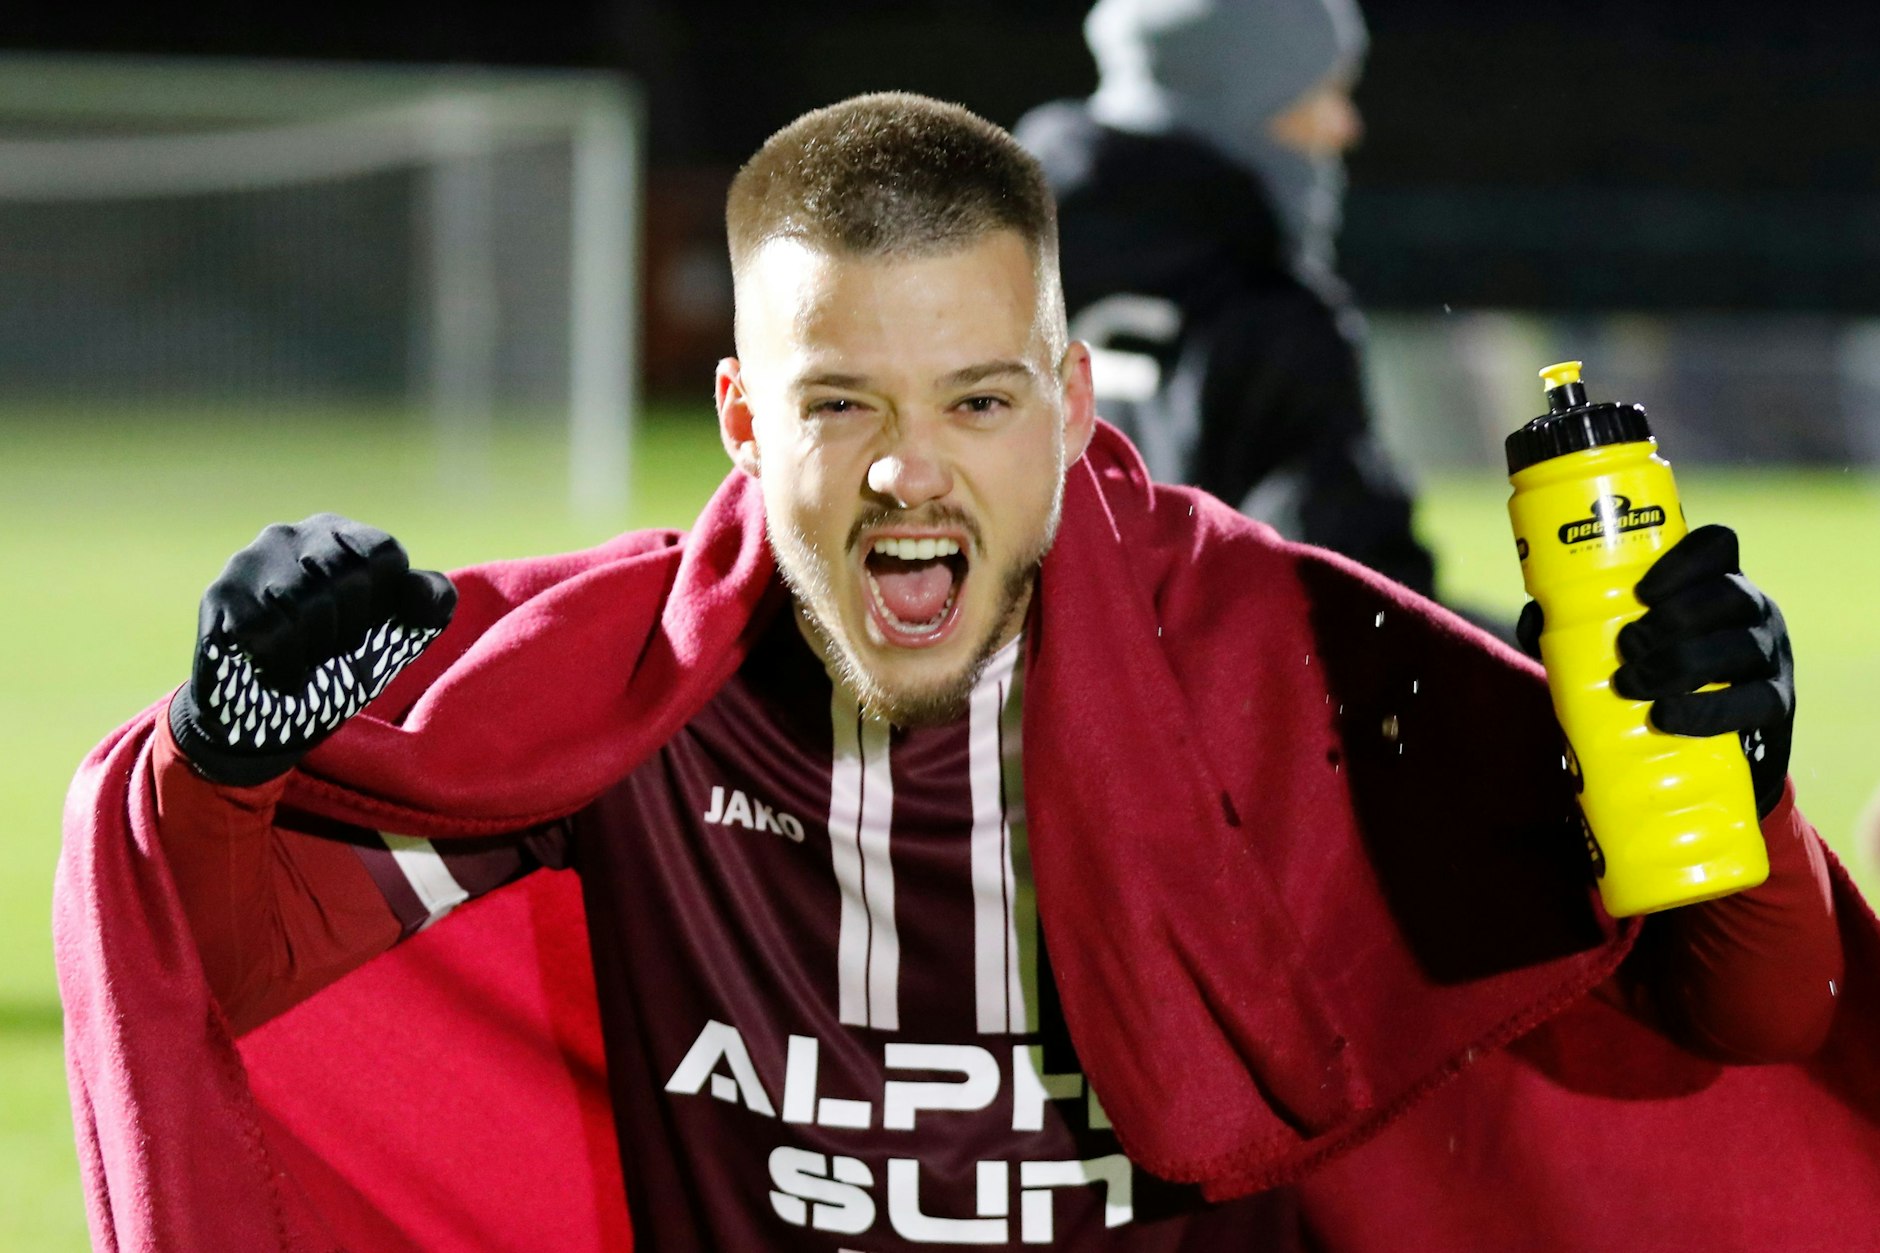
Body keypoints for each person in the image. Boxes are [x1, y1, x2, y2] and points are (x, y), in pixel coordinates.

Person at [58, 93, 1878, 1252]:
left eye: (979, 401)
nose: (909, 471)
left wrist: (1739, 782)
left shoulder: (1284, 662)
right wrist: (217, 762)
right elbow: (212, 962)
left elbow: (1742, 1009)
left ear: (1074, 404)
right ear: (741, 419)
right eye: (839, 404)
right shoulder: (617, 690)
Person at [1016, 0, 1438, 599]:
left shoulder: (989, 270)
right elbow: (1357, 618)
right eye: (1320, 92)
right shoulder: (1270, 318)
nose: (1346, 126)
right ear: (1246, 96)